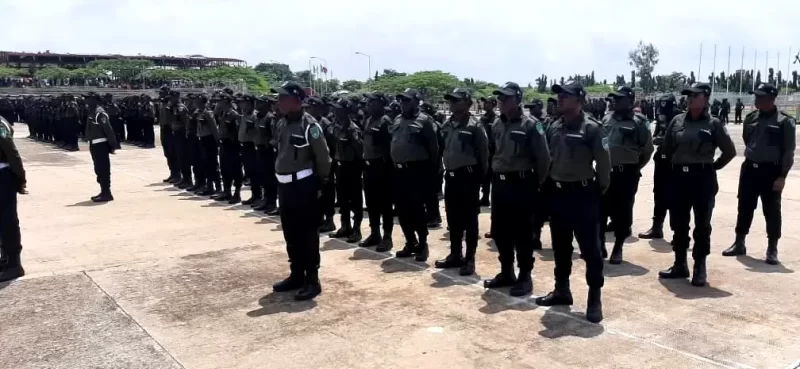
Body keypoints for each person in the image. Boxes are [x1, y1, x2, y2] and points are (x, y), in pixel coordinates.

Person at [534, 81, 608, 323]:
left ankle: (594, 297)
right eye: (559, 95)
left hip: (583, 196)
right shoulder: (554, 126)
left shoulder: (592, 128)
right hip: (559, 195)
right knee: (561, 247)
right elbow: (548, 159)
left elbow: (604, 166)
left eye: (566, 95)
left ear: (580, 100)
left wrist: (595, 192)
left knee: (591, 250)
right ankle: (562, 290)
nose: (560, 99)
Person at [658, 83, 736, 287]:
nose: (690, 99)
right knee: (679, 223)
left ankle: (700, 267)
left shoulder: (714, 123)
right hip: (679, 178)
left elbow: (729, 151)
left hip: (702, 179)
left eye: (695, 95)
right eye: (688, 95)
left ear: (706, 98)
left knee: (702, 225)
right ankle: (680, 264)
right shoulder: (677, 121)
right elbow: (667, 148)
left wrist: (712, 167)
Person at [483, 82, 550, 296]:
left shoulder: (531, 125)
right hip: (500, 184)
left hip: (522, 185)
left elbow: (543, 159)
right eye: (500, 97)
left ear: (518, 99)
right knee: (500, 231)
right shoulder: (497, 124)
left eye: (506, 97)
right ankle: (506, 272)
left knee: (522, 233)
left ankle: (525, 276)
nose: (501, 101)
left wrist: (535, 185)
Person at [270, 82, 331, 301]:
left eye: (283, 97)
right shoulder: (281, 123)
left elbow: (323, 157)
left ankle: (312, 279)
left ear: (296, 100)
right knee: (291, 232)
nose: (278, 101)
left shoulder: (310, 125)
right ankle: (296, 274)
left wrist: (320, 184)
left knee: (307, 234)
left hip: (304, 186)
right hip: (285, 186)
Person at [723, 83, 796, 265]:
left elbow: (788, 151)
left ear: (771, 99)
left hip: (771, 171)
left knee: (772, 210)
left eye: (760, 97)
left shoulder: (784, 121)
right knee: (744, 206)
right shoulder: (751, 118)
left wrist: (782, 177)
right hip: (750, 169)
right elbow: (747, 139)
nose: (756, 99)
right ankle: (739, 242)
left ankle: (772, 248)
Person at [600, 86, 654, 264]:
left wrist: (634, 167)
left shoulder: (639, 122)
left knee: (623, 212)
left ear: (630, 101)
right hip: (605, 171)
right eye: (614, 98)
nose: (615, 101)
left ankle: (618, 247)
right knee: (600, 210)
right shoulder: (606, 118)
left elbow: (647, 149)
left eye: (619, 98)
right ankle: (600, 244)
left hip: (626, 174)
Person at [390, 88, 439, 262]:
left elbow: (434, 150)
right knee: (402, 210)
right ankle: (410, 241)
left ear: (416, 101)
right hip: (399, 171)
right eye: (401, 100)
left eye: (407, 100)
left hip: (417, 171)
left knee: (417, 209)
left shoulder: (425, 121)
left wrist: (432, 175)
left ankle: (423, 244)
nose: (402, 103)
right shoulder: (397, 119)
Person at [639, 94, 683, 240]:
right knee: (659, 193)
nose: (663, 110)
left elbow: (681, 139)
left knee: (676, 196)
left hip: (676, 161)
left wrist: (666, 140)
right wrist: (656, 139)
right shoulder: (660, 114)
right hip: (661, 159)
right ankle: (657, 227)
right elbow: (657, 133)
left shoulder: (680, 118)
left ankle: (678, 233)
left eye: (666, 105)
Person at [359, 92, 395, 251]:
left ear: (380, 104)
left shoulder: (385, 122)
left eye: (372, 102)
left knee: (385, 204)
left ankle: (387, 237)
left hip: (382, 167)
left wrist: (388, 168)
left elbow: (390, 147)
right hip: (368, 166)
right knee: (371, 203)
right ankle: (375, 233)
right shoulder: (368, 120)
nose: (368, 105)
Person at [329, 98, 365, 243]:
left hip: (352, 167)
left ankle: (357, 229)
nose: (335, 112)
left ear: (345, 111)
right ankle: (345, 226)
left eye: (338, 109)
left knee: (355, 199)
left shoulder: (353, 129)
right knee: (342, 198)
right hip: (340, 166)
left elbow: (359, 150)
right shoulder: (337, 126)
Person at [0, 114, 27, 282]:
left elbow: (10, 149)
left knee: (7, 221)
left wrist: (20, 176)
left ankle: (14, 264)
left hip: (3, 176)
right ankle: (5, 259)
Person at [83, 92, 119, 202]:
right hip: (94, 144)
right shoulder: (92, 111)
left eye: (88, 99)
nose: (86, 101)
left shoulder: (99, 113)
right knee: (98, 169)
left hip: (100, 145)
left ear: (94, 100)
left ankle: (107, 193)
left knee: (103, 169)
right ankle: (103, 191)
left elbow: (108, 130)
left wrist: (113, 145)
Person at [214, 92, 243, 204]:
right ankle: (227, 191)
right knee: (224, 168)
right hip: (224, 144)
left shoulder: (234, 114)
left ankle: (237, 193)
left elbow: (237, 131)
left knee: (234, 169)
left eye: (220, 101)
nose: (218, 103)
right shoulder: (222, 113)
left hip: (232, 145)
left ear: (226, 101)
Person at [194, 94, 221, 196]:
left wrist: (217, 141)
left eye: (198, 102)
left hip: (210, 139)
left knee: (212, 164)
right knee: (205, 164)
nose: (196, 103)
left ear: (203, 103)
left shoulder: (208, 113)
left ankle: (218, 187)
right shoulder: (199, 113)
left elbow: (214, 128)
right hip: (202, 139)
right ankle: (209, 186)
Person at [478, 96, 497, 208]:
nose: (485, 105)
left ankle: (494, 199)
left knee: (494, 178)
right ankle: (485, 198)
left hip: (494, 152)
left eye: (488, 103)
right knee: (485, 177)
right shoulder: (482, 118)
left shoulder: (496, 119)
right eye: (484, 103)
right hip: (484, 151)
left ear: (493, 105)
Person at [158, 86, 180, 184]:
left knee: (173, 152)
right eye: (160, 93)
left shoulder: (172, 104)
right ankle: (172, 173)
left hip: (170, 129)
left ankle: (177, 174)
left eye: (162, 93)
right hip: (163, 129)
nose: (160, 95)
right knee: (167, 153)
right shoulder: (162, 103)